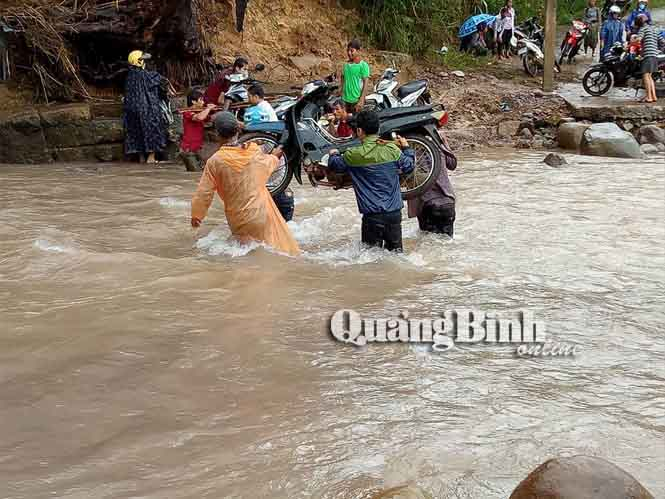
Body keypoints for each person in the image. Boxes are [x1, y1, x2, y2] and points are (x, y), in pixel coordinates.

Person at [191, 112, 300, 256]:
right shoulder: (253, 152)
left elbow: (204, 193)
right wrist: (278, 151)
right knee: (269, 252)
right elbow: (271, 162)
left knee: (244, 258)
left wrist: (197, 215)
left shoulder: (215, 161)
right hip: (261, 214)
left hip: (239, 218)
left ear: (217, 134)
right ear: (238, 130)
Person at [327, 110, 415, 252]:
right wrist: (406, 148)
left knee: (370, 260)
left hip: (372, 217)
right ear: (378, 129)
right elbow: (409, 167)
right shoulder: (392, 149)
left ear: (360, 131)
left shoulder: (353, 154)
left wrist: (333, 154)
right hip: (394, 215)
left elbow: (335, 166)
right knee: (396, 255)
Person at [407, 134, 457, 238]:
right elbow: (452, 164)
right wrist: (444, 143)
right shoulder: (436, 141)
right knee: (446, 244)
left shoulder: (408, 147)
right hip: (448, 201)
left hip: (427, 203)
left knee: (428, 245)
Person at [123, 50, 167, 164]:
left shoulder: (129, 77)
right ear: (139, 62)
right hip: (147, 110)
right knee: (152, 130)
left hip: (131, 112)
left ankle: (141, 157)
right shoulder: (149, 76)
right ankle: (151, 158)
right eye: (143, 60)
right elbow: (162, 84)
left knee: (135, 132)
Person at [180, 88, 216, 172]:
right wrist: (208, 109)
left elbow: (210, 118)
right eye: (201, 100)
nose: (203, 102)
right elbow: (199, 117)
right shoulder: (187, 112)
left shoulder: (200, 112)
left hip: (196, 150)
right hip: (188, 151)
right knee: (195, 173)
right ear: (193, 102)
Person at [340, 39, 371, 113]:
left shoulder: (363, 65)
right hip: (345, 100)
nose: (349, 53)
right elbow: (343, 79)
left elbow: (365, 84)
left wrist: (362, 99)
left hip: (356, 101)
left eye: (352, 51)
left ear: (358, 51)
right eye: (348, 50)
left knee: (355, 122)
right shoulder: (346, 65)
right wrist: (341, 92)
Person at [636, 14, 659, 103]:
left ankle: (649, 97)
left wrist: (633, 40)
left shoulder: (643, 29)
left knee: (645, 75)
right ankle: (653, 96)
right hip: (655, 55)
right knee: (650, 76)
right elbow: (662, 40)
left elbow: (638, 39)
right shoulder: (653, 29)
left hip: (648, 55)